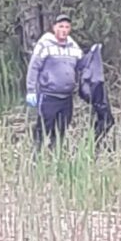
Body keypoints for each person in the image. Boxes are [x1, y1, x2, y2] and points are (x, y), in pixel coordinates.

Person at [25, 13, 83, 148]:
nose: (64, 30)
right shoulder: (44, 45)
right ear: (54, 28)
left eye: (67, 27)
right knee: (43, 129)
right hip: (48, 96)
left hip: (67, 98)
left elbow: (82, 66)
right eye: (61, 26)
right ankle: (36, 155)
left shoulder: (74, 47)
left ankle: (56, 155)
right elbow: (34, 67)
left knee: (61, 130)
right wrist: (31, 90)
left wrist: (93, 55)